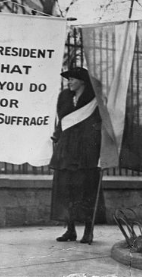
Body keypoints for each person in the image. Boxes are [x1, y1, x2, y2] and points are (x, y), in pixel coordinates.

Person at [50, 67, 105, 244]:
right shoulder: (64, 97)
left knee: (86, 190)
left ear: (83, 81)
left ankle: (88, 230)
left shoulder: (95, 99)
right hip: (66, 150)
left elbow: (100, 124)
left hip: (86, 152)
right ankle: (70, 230)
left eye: (73, 79)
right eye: (69, 79)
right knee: (66, 191)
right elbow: (61, 120)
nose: (70, 82)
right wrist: (57, 136)